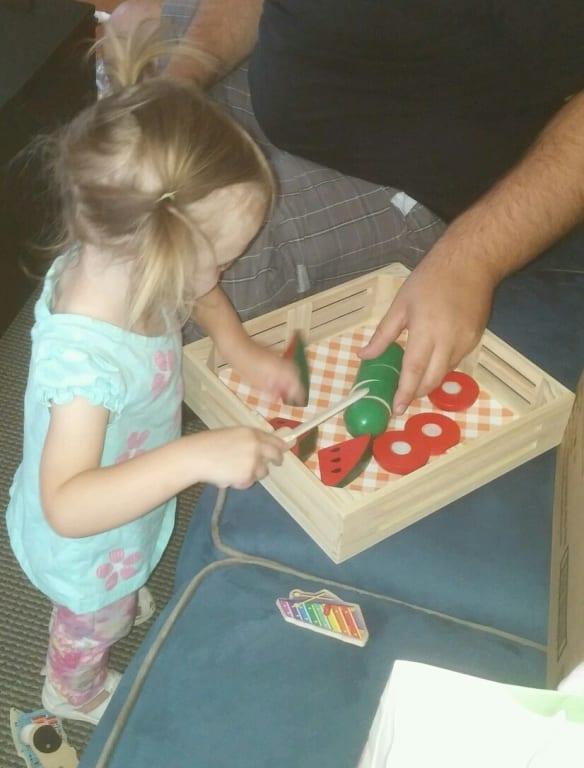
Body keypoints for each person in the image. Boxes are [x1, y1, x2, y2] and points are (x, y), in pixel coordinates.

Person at [6, 26, 300, 725]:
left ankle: (121, 588)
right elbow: (70, 506)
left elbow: (196, 291)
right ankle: (69, 687)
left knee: (125, 572)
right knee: (94, 617)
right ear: (163, 250)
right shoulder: (83, 365)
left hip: (125, 486)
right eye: (221, 260)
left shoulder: (126, 258)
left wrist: (239, 346)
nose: (219, 276)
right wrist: (197, 454)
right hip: (86, 539)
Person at [110, 0, 584, 415]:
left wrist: (473, 256)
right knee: (129, 32)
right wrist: (180, 87)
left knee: (161, 277)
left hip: (404, 175)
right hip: (277, 70)